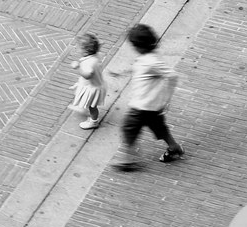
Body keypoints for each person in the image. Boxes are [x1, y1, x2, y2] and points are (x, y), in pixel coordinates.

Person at [113, 24, 184, 171]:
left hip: (141, 106)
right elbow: (143, 68)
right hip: (151, 106)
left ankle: (128, 160)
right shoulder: (149, 57)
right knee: (159, 127)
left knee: (128, 129)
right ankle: (174, 147)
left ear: (139, 46)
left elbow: (172, 75)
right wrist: (125, 72)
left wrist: (167, 98)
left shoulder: (151, 61)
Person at [69, 33, 107, 130]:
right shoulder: (95, 56)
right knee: (83, 96)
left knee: (92, 107)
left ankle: (94, 121)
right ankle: (82, 107)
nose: (77, 49)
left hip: (92, 88)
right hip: (93, 84)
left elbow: (87, 75)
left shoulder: (89, 63)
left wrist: (78, 68)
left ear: (86, 51)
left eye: (79, 48)